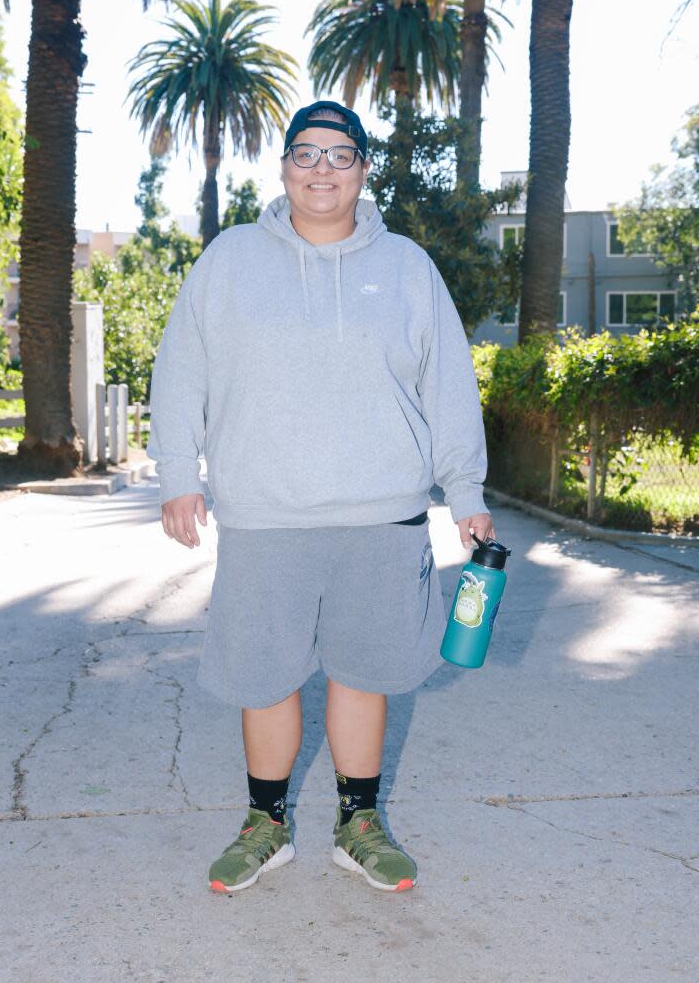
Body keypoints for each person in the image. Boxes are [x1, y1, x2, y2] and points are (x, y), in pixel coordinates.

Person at [147, 99, 494, 894]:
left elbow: (448, 386)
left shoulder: (407, 267)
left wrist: (465, 489)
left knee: (362, 672)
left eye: (340, 156)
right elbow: (181, 372)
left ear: (364, 170)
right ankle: (265, 826)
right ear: (282, 168)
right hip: (266, 515)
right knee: (263, 676)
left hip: (383, 516)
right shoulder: (230, 260)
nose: (322, 171)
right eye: (306, 154)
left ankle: (357, 823)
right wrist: (177, 477)